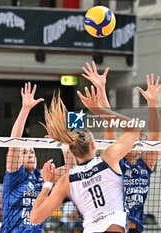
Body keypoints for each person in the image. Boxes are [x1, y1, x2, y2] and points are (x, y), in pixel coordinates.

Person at [30, 85, 141, 233]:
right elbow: (134, 127)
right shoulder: (108, 159)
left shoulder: (67, 180)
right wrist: (99, 110)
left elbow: (35, 218)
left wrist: (48, 183)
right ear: (94, 144)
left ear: (71, 149)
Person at [81, 61, 161, 233]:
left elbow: (155, 136)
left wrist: (152, 103)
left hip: (135, 229)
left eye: (139, 144)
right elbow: (109, 125)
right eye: (133, 142)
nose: (136, 147)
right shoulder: (115, 163)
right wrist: (101, 88)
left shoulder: (145, 165)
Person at [1, 82, 76, 233]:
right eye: (25, 152)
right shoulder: (15, 176)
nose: (30, 154)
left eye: (32, 152)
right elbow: (14, 144)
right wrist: (25, 109)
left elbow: (71, 169)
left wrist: (63, 143)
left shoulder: (42, 176)